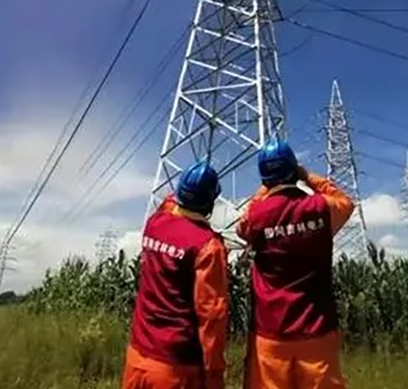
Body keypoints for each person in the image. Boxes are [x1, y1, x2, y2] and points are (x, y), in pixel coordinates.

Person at [236, 137, 355, 389]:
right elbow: (345, 203)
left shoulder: (256, 216)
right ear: (294, 170)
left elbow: (242, 226)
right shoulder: (321, 208)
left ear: (264, 178)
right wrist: (307, 176)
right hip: (317, 331)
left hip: (271, 334)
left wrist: (264, 190)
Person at [122, 161, 229, 389]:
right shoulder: (208, 246)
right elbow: (212, 318)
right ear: (210, 202)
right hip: (176, 369)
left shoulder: (155, 223)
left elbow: (169, 203)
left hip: (137, 359)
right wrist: (214, 374)